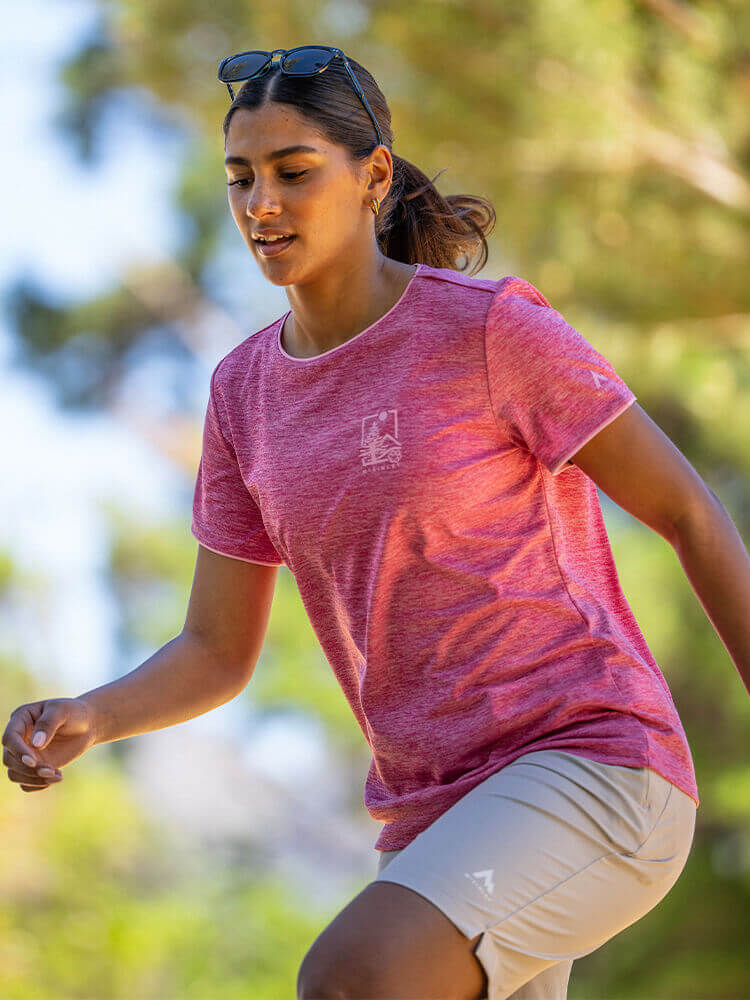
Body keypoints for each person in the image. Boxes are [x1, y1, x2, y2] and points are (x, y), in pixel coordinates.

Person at [5, 44, 748, 1000]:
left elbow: (686, 509)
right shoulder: (243, 395)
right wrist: (93, 715)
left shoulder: (487, 330)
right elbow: (217, 647)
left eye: (293, 173)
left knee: (352, 978)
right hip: (434, 823)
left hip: (592, 768)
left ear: (375, 176)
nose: (260, 205)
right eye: (240, 179)